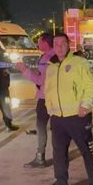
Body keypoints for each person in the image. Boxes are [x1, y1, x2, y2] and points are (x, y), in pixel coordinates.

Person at [42, 32, 93, 185]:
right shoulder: (51, 66)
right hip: (58, 118)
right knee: (58, 151)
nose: (59, 47)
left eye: (62, 43)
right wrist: (49, 108)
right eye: (56, 44)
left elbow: (90, 84)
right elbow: (48, 89)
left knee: (86, 149)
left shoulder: (79, 62)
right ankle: (61, 183)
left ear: (68, 45)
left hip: (77, 116)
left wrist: (85, 104)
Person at [15, 32, 55, 168]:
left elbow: (41, 80)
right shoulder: (54, 56)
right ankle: (60, 157)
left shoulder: (48, 58)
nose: (37, 43)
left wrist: (24, 70)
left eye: (39, 41)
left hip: (46, 98)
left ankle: (40, 158)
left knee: (41, 127)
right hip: (56, 98)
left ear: (45, 42)